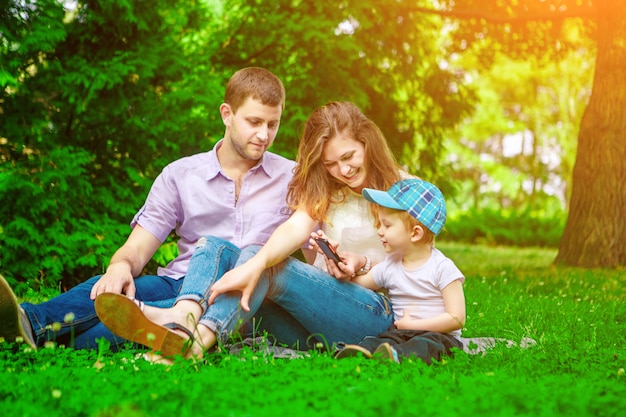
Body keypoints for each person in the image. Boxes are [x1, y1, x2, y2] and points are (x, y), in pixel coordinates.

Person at [0, 67, 295, 351]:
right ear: (226, 114)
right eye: (254, 122)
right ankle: (28, 322)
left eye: (272, 124)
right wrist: (119, 267)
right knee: (113, 290)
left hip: (242, 297)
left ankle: (43, 337)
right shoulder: (181, 175)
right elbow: (137, 249)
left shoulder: (293, 179)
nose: (264, 135)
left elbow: (314, 251)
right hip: (176, 283)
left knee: (105, 331)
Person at [95, 101, 410, 359]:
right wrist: (256, 262)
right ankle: (183, 316)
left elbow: (421, 267)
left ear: (366, 142)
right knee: (216, 247)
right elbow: (294, 228)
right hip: (309, 320)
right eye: (330, 164)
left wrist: (361, 266)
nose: (342, 170)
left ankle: (192, 340)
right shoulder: (327, 191)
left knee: (264, 267)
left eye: (348, 156)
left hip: (375, 318)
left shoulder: (406, 189)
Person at [334, 178, 466, 364]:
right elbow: (359, 285)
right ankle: (360, 353)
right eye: (379, 224)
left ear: (415, 233)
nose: (379, 231)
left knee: (425, 344)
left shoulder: (442, 268)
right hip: (402, 332)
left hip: (440, 336)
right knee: (380, 340)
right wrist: (340, 264)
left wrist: (415, 325)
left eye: (387, 225)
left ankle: (397, 357)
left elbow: (457, 318)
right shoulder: (391, 265)